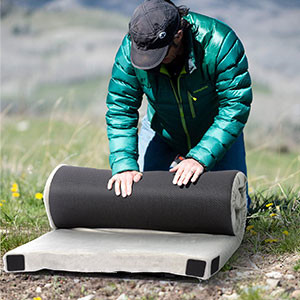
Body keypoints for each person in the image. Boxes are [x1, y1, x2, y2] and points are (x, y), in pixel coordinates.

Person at [106, 0, 252, 204]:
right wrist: (124, 165)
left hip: (214, 129)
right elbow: (120, 108)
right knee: (140, 198)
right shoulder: (134, 47)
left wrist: (200, 157)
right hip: (161, 130)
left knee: (236, 205)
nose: (150, 62)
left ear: (178, 35)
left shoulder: (220, 43)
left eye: (159, 55)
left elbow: (235, 107)